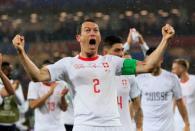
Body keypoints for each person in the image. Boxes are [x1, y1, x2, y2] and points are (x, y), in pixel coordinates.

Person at [12, 19, 174, 131]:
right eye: (87, 30)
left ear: (99, 38)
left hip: (113, 126)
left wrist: (165, 40)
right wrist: (21, 52)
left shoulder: (112, 62)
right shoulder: (67, 64)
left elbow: (147, 66)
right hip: (85, 126)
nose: (92, 33)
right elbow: (38, 76)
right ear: (79, 38)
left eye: (96, 31)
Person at [136, 48, 190, 131]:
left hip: (167, 127)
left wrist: (187, 124)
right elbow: (135, 104)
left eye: (155, 59)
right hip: (147, 127)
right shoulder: (140, 79)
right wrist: (138, 126)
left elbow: (180, 102)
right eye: (150, 59)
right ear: (146, 61)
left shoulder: (172, 78)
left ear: (161, 59)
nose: (152, 62)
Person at [103, 35, 142, 131]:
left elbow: (137, 107)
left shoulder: (129, 76)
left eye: (122, 50)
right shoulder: (94, 73)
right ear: (105, 53)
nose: (121, 54)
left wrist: (139, 127)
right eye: (117, 51)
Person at [27, 60, 69, 131]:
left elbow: (64, 109)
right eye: (43, 72)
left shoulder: (62, 84)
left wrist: (62, 97)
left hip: (58, 127)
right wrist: (49, 93)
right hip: (41, 127)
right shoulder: (34, 84)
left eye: (48, 72)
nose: (45, 75)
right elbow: (32, 105)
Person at [172, 59, 195, 131]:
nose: (172, 71)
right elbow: (174, 102)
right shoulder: (175, 83)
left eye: (174, 68)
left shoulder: (194, 80)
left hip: (193, 120)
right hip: (177, 121)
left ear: (182, 68)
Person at [0, 54, 20, 131]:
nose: (10, 72)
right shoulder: (14, 83)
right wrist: (14, 86)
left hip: (11, 121)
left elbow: (9, 92)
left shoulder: (13, 83)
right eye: (8, 69)